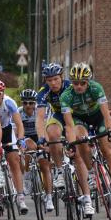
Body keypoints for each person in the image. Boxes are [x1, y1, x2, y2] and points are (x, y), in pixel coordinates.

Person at [60, 63, 111, 213]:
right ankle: (91, 172)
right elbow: (69, 124)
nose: (79, 86)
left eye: (82, 83)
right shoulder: (66, 96)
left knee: (108, 152)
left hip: (98, 118)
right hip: (80, 120)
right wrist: (72, 143)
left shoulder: (96, 88)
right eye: (75, 83)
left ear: (88, 81)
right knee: (81, 140)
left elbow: (106, 115)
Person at [35, 63, 79, 212]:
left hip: (76, 114)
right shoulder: (43, 92)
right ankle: (60, 171)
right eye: (49, 80)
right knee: (52, 133)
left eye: (55, 79)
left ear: (61, 77)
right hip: (59, 115)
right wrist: (41, 137)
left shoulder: (71, 87)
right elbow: (40, 118)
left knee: (78, 136)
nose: (53, 83)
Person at [0, 80, 28, 215]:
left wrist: (21, 139)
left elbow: (19, 124)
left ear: (3, 93)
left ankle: (20, 197)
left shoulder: (9, 102)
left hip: (6, 130)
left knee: (14, 161)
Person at [19, 88, 54, 212]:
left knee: (45, 165)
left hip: (40, 136)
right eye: (25, 103)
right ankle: (27, 175)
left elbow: (45, 127)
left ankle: (49, 197)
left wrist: (47, 144)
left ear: (35, 103)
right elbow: (16, 129)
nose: (28, 105)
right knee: (30, 146)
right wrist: (20, 143)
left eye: (31, 103)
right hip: (26, 137)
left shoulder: (40, 112)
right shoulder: (19, 113)